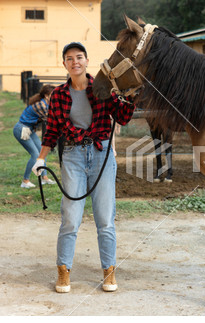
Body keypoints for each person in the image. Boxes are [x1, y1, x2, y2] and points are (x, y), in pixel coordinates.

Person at [32, 42, 136, 293]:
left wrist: (130, 95)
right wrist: (41, 159)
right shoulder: (58, 95)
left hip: (101, 155)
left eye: (79, 57)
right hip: (73, 157)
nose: (75, 61)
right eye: (70, 58)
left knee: (105, 218)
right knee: (70, 218)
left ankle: (109, 272)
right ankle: (63, 271)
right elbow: (52, 131)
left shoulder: (102, 88)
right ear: (64, 64)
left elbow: (122, 117)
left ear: (87, 61)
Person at [13, 85, 57, 188]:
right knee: (35, 154)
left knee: (42, 152)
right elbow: (51, 119)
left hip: (30, 130)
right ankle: (25, 181)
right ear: (47, 96)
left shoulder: (46, 103)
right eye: (53, 95)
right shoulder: (42, 105)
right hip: (22, 130)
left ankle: (44, 178)